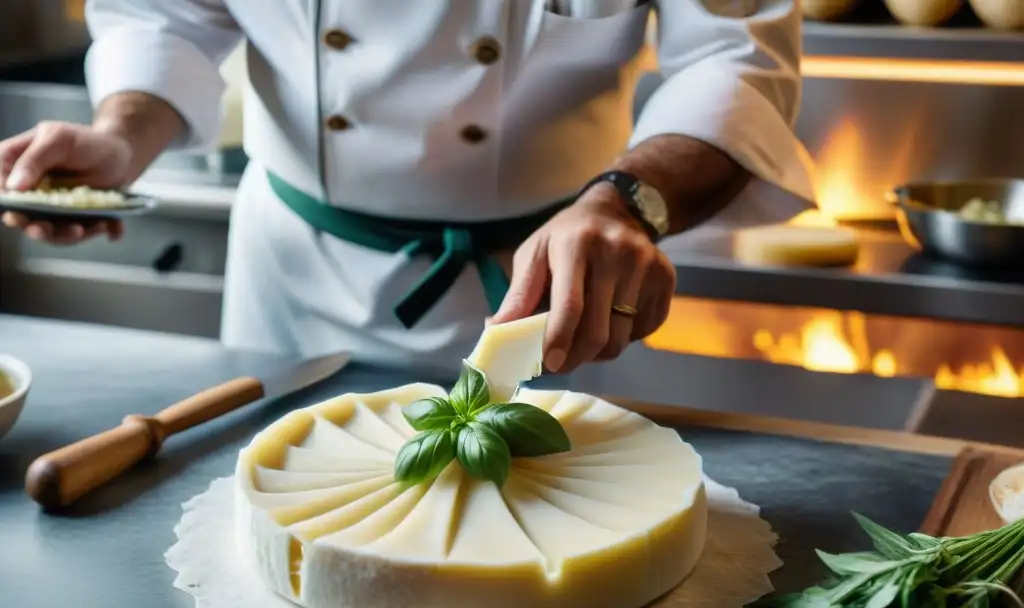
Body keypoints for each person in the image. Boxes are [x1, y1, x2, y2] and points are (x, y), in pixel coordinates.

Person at [0, 1, 815, 374]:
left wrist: (624, 203)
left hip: (556, 285)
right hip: (291, 280)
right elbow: (166, 13)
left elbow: (731, 58)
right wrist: (121, 133)